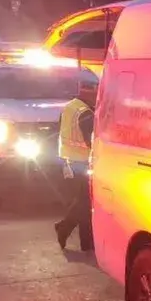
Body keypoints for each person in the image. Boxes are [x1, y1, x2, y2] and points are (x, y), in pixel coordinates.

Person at [55, 86, 95, 251]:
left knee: (84, 201)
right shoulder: (85, 113)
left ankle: (86, 242)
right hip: (83, 162)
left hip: (70, 160)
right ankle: (65, 227)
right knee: (85, 202)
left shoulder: (70, 106)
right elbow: (91, 142)